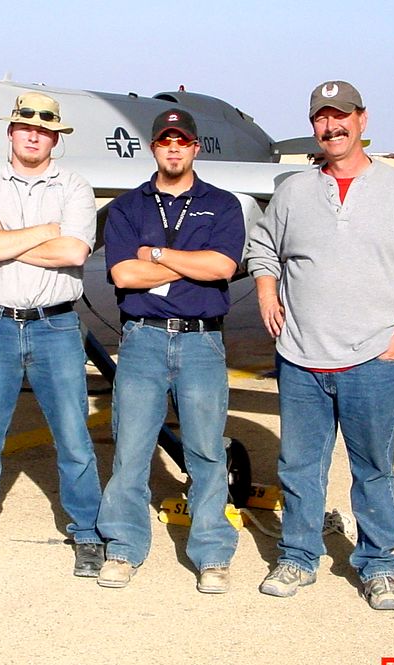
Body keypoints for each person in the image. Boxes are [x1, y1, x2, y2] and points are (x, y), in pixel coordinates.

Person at [245, 81, 394, 609]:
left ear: (362, 120)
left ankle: (379, 566)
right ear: (313, 125)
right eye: (321, 118)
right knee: (298, 466)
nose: (331, 127)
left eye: (341, 117)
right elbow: (263, 248)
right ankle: (298, 556)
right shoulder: (293, 190)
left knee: (373, 469)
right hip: (301, 359)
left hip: (372, 360)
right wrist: (267, 293)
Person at [0, 92, 104, 575]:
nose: (34, 134)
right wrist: (42, 231)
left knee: (72, 435)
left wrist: (5, 238)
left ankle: (87, 531)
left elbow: (73, 253)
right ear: (11, 132)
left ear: (56, 137)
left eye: (45, 128)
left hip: (56, 325)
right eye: (25, 126)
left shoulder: (74, 186)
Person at [96, 108, 244, 593]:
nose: (174, 148)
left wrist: (156, 255)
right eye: (165, 141)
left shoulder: (222, 205)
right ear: (154, 147)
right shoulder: (126, 208)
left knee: (205, 449)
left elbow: (223, 266)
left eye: (182, 141)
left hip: (203, 340)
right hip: (143, 339)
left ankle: (212, 553)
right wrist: (191, 265)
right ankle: (122, 546)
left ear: (195, 147)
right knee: (132, 448)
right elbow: (123, 275)